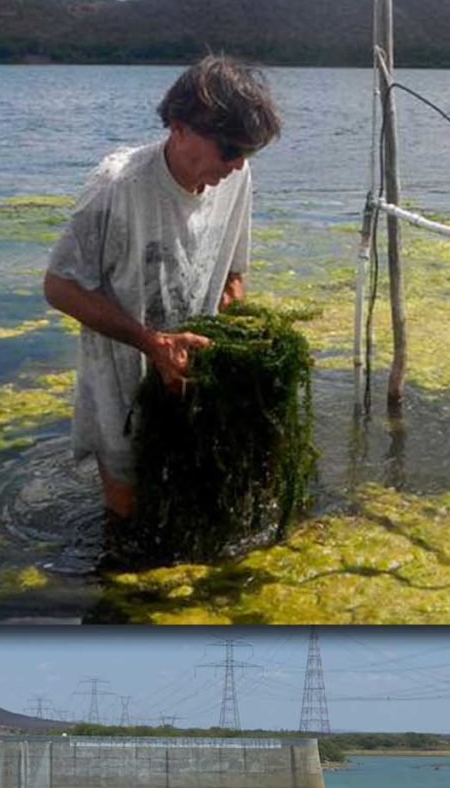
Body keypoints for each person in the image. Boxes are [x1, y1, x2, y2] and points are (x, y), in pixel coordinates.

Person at [43, 55, 282, 525]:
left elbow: (233, 276)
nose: (235, 165)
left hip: (194, 379)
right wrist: (152, 343)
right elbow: (59, 286)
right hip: (123, 386)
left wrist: (240, 348)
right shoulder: (118, 185)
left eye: (247, 154)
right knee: (129, 522)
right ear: (180, 126)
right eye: (229, 148)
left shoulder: (236, 179)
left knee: (198, 509)